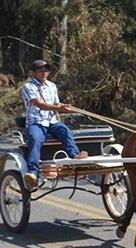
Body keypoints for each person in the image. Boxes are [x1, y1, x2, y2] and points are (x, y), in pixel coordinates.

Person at [20, 59, 87, 190]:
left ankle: (75, 156)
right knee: (35, 139)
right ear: (33, 73)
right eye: (40, 71)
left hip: (51, 121)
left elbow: (56, 104)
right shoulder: (28, 87)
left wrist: (64, 106)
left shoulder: (52, 86)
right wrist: (58, 108)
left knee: (64, 130)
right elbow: (39, 104)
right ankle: (33, 173)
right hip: (36, 122)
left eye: (46, 70)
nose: (44, 73)